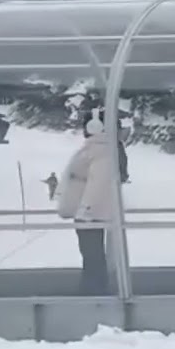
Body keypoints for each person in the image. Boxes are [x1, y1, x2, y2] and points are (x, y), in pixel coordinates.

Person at [56, 112, 122, 295]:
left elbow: (98, 183)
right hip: (87, 212)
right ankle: (92, 288)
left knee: (92, 254)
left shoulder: (100, 151)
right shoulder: (97, 148)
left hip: (90, 215)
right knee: (90, 254)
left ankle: (93, 289)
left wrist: (86, 210)